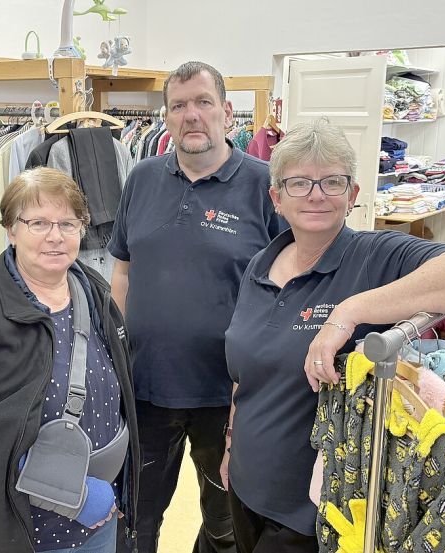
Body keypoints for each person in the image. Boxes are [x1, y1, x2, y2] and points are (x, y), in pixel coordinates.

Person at [222, 118, 445, 553]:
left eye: (332, 182)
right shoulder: (260, 265)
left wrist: (348, 312)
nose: (315, 194)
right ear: (276, 198)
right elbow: (244, 374)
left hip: (317, 511)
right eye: (299, 183)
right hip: (245, 487)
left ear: (352, 195)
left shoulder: (373, 256)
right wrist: (230, 444)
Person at [0, 167, 141, 553]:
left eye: (68, 223)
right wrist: (75, 493)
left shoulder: (95, 294)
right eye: (38, 223)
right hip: (21, 536)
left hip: (99, 527)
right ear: (11, 230)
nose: (55, 236)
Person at [109, 61, 284, 553]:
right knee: (135, 519)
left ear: (227, 113)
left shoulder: (264, 185)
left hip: (227, 396)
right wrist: (114, 353)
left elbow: (287, 290)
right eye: (179, 105)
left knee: (226, 524)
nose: (192, 116)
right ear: (166, 117)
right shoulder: (141, 178)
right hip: (145, 389)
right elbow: (122, 270)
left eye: (203, 103)